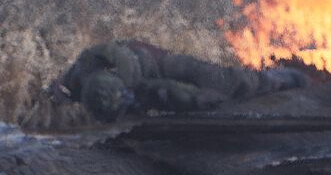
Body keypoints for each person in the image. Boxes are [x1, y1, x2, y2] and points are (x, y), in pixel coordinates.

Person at [51, 39, 309, 122]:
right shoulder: (75, 83)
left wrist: (207, 101)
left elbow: (172, 90)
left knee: (226, 82)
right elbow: (58, 91)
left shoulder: (119, 70)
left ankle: (280, 78)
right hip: (146, 80)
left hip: (162, 64)